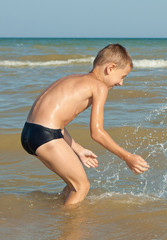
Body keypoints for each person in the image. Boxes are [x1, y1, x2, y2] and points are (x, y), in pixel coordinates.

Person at [21, 44, 150, 206]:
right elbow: (97, 132)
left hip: (29, 133)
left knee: (72, 185)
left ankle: (56, 220)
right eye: (122, 76)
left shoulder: (71, 78)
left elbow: (56, 124)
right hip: (45, 136)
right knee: (81, 187)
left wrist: (79, 150)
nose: (121, 83)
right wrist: (127, 157)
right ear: (110, 68)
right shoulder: (99, 86)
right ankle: (70, 228)